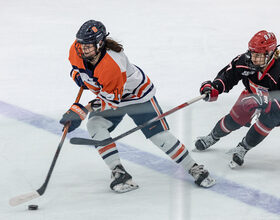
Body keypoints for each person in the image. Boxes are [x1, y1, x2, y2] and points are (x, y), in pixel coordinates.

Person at [59, 20, 215, 193]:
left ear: (100, 43)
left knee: (159, 136)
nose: (83, 49)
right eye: (81, 45)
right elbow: (75, 68)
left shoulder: (113, 64)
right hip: (113, 95)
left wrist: (83, 110)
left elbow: (111, 100)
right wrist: (79, 77)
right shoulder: (76, 49)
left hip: (137, 97)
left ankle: (193, 167)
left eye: (88, 46)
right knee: (95, 125)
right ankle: (119, 173)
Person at [196, 30, 280, 168]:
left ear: (271, 54)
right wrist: (214, 87)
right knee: (234, 119)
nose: (253, 58)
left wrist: (263, 100)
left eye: (258, 55)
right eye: (252, 53)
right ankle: (213, 136)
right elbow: (227, 77)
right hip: (251, 95)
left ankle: (243, 147)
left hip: (275, 105)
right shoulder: (244, 61)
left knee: (269, 119)